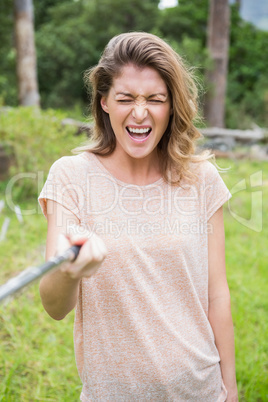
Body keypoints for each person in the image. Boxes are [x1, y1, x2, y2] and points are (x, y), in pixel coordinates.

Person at [38, 32, 238, 401]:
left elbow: (217, 295)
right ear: (104, 104)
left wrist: (231, 388)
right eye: (126, 98)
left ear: (172, 106)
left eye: (155, 99)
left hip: (201, 389)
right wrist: (69, 272)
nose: (140, 112)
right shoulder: (70, 177)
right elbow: (54, 306)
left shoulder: (201, 178)